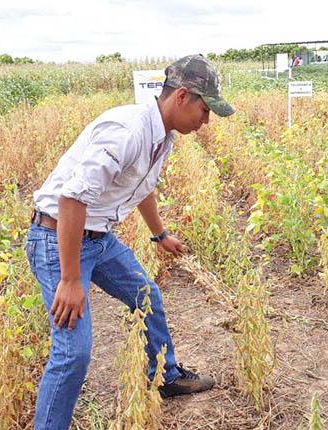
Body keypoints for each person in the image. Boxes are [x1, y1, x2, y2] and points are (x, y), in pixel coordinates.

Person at [27, 54, 235, 430]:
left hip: (98, 237)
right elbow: (72, 198)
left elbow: (141, 187)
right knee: (73, 353)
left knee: (146, 296)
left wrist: (160, 234)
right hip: (57, 238)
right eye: (204, 111)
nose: (205, 122)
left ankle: (166, 376)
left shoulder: (163, 137)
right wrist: (71, 280)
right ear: (182, 96)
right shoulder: (128, 130)